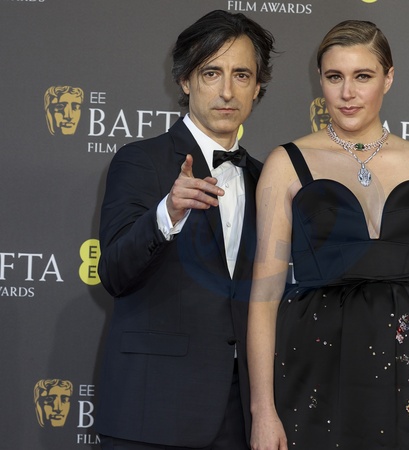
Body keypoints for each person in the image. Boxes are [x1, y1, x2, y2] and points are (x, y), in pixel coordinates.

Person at [247, 20, 409, 450]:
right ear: (321, 81)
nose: (347, 93)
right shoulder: (287, 163)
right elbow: (265, 296)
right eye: (335, 77)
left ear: (389, 78)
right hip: (315, 374)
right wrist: (263, 411)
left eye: (362, 76)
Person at [95, 10, 275, 450]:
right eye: (211, 73)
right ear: (185, 80)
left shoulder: (267, 178)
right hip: (151, 411)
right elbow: (114, 272)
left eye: (241, 75)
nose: (227, 91)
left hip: (237, 416)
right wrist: (167, 213)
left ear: (257, 87)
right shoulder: (140, 161)